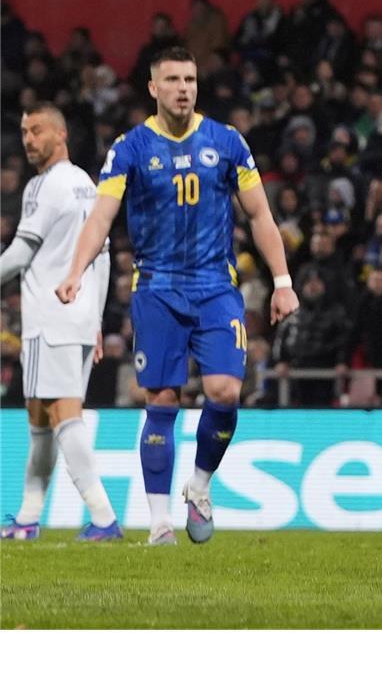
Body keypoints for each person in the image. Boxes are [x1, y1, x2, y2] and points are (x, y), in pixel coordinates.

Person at [55, 47, 299, 546]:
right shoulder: (129, 148)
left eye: (190, 78)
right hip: (158, 288)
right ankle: (160, 521)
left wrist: (282, 281)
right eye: (172, 79)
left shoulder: (227, 143)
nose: (184, 87)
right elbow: (101, 217)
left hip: (216, 287)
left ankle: (201, 486)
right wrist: (75, 271)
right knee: (162, 398)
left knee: (226, 392)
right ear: (153, 87)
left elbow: (259, 215)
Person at [0, 102, 121, 541]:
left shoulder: (43, 186)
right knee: (39, 418)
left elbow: (19, 253)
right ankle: (29, 519)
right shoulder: (88, 187)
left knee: (63, 415)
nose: (28, 139)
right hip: (79, 318)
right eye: (25, 131)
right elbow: (104, 257)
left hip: (48, 317)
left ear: (61, 135)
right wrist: (97, 318)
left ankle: (104, 517)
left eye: (36, 131)